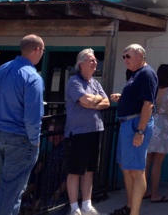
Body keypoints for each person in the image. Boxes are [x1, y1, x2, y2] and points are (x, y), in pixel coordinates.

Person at [0, 34, 45, 215]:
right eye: (42, 50)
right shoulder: (33, 77)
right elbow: (32, 117)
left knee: (4, 190)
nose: (42, 54)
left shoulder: (1, 70)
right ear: (36, 50)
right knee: (12, 193)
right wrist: (35, 140)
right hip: (20, 138)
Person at [109, 44, 157, 215]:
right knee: (126, 166)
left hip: (136, 125)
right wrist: (122, 99)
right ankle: (129, 207)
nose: (125, 60)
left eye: (128, 56)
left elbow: (148, 104)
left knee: (137, 170)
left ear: (140, 55)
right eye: (123, 57)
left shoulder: (147, 73)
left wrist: (140, 131)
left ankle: (134, 212)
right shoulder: (135, 74)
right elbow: (137, 98)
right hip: (127, 124)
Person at [65, 48, 110, 215]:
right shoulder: (74, 82)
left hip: (95, 130)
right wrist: (92, 101)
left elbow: (106, 103)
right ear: (81, 63)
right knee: (75, 171)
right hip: (78, 133)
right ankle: (74, 207)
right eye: (91, 60)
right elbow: (83, 100)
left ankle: (86, 204)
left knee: (90, 170)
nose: (95, 62)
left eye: (96, 60)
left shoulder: (95, 83)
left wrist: (92, 101)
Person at [143, 64, 168, 203]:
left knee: (147, 161)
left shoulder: (152, 89)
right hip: (163, 125)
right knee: (157, 163)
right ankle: (155, 194)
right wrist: (167, 111)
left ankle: (143, 191)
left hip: (149, 123)